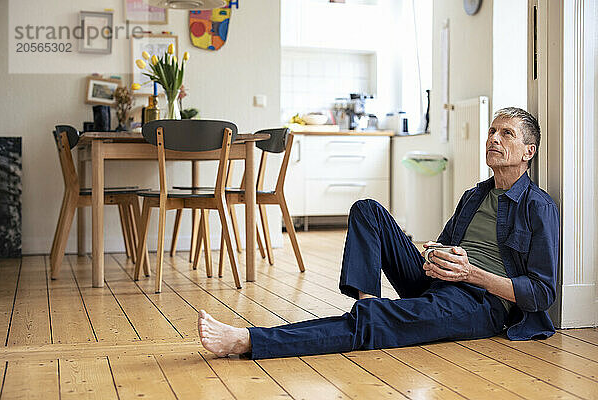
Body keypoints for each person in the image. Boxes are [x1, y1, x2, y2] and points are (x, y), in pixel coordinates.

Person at [197, 107, 559, 359]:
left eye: (505, 133)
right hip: (441, 280)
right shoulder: (475, 195)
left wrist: (471, 275)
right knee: (367, 209)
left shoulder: (537, 206)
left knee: (374, 322)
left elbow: (542, 293)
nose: (493, 138)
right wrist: (433, 255)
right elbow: (445, 245)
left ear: (529, 151)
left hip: (480, 303)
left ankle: (248, 341)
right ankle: (368, 306)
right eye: (492, 131)